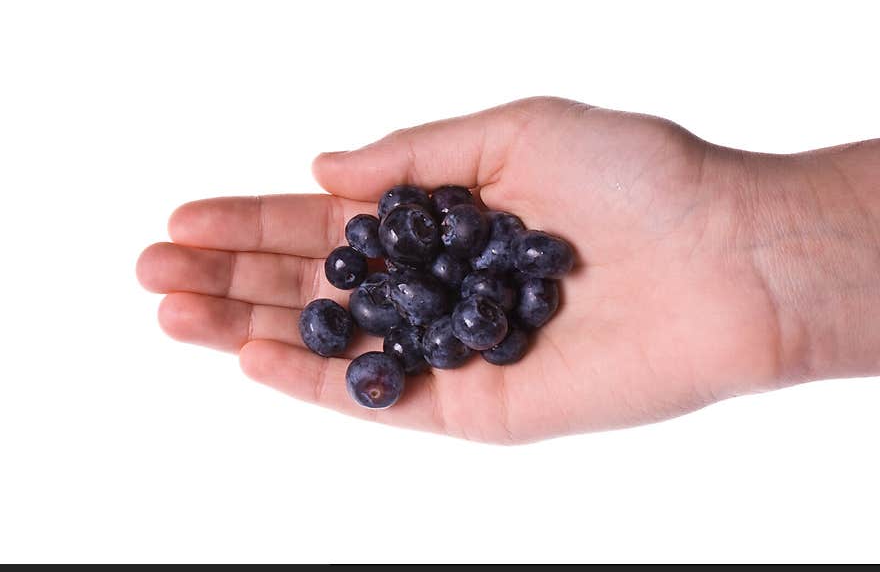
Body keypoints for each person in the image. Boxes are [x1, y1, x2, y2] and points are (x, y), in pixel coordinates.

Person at [136, 97, 879, 443]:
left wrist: (753, 244)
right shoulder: (422, 299)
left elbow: (466, 285)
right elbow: (434, 301)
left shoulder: (466, 274)